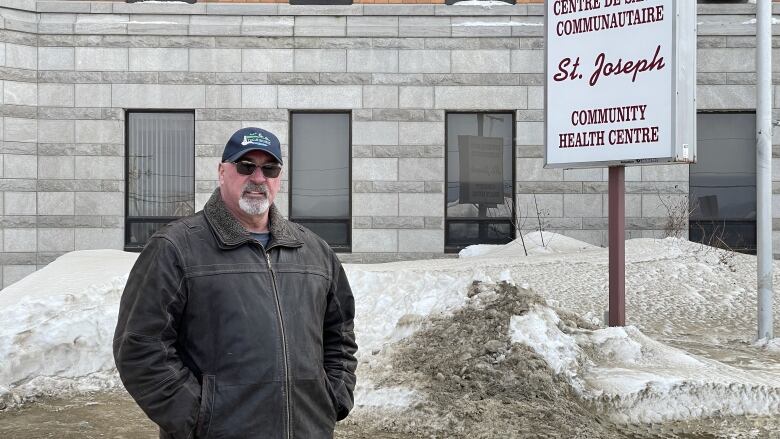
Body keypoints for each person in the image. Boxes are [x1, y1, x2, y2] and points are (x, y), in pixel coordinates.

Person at [113, 127, 358, 439]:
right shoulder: (175, 247)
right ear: (222, 171)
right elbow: (140, 347)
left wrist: (333, 396)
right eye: (245, 166)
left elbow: (340, 335)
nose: (258, 178)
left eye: (269, 168)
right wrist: (201, 418)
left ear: (279, 178)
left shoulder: (314, 251)